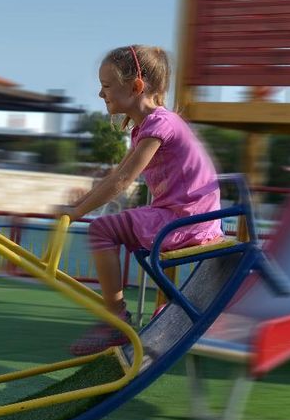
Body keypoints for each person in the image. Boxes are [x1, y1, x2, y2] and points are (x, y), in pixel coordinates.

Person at [62, 45, 223, 355]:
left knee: (102, 229)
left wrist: (77, 211)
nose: (100, 94)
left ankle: (116, 319)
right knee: (111, 228)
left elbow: (123, 181)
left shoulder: (160, 125)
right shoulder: (147, 128)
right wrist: (78, 204)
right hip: (185, 217)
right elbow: (116, 174)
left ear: (136, 87)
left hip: (187, 221)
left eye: (107, 86)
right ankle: (136, 312)